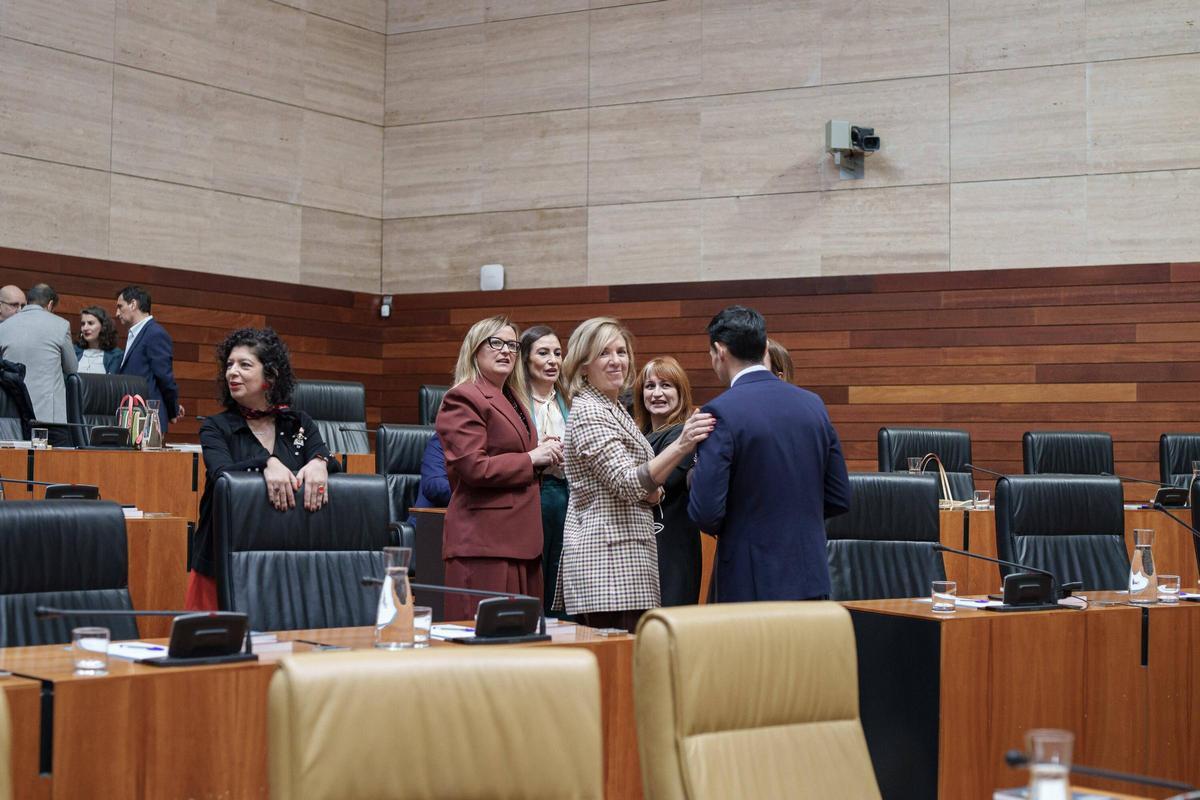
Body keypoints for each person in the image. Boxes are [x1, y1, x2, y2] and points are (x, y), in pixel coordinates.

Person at [556, 317, 714, 631]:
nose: (616, 361)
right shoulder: (591, 411)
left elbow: (645, 486)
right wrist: (682, 444)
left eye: (621, 352)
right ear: (584, 365)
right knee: (616, 659)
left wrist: (651, 490)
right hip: (607, 566)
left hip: (629, 563)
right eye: (604, 353)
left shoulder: (613, 409)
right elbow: (630, 484)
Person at [688, 306, 851, 602]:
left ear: (720, 351)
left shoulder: (719, 413)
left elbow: (705, 513)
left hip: (750, 581)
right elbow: (839, 496)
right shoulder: (813, 404)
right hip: (811, 574)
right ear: (764, 347)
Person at [187, 328, 337, 610]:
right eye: (229, 365)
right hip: (221, 561)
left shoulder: (298, 423)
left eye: (244, 365)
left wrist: (320, 461)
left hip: (286, 560)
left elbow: (329, 459)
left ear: (271, 375)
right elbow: (222, 474)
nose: (232, 372)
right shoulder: (216, 426)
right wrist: (266, 462)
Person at [435, 316, 562, 620]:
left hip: (521, 540)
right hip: (486, 543)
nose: (506, 351)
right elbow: (474, 466)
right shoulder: (464, 397)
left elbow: (510, 450)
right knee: (485, 637)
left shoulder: (513, 397)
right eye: (496, 343)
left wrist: (541, 448)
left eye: (512, 345)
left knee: (521, 636)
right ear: (475, 349)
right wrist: (531, 458)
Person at [632, 356, 702, 606]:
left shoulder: (684, 435)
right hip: (639, 548)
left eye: (666, 385)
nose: (657, 393)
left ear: (680, 392)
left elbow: (658, 483)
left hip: (672, 547)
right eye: (650, 386)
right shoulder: (638, 434)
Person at [519, 324, 571, 613]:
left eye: (557, 353)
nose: (553, 361)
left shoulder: (571, 400)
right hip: (530, 494)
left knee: (561, 575)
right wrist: (538, 449)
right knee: (533, 576)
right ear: (526, 358)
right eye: (543, 353)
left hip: (567, 495)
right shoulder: (513, 402)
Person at [0, 284, 77, 435]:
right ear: (50, 305)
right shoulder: (61, 325)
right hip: (49, 416)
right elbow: (72, 368)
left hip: (12, 416)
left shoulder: (4, 327)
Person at [115, 285, 183, 433]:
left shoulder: (155, 334)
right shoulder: (135, 333)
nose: (117, 313)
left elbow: (165, 378)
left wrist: (173, 410)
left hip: (147, 421)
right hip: (133, 418)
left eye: (120, 306)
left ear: (133, 304)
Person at [74, 306, 124, 374]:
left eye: (90, 323)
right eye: (83, 324)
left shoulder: (116, 355)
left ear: (103, 327)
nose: (85, 328)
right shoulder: (74, 351)